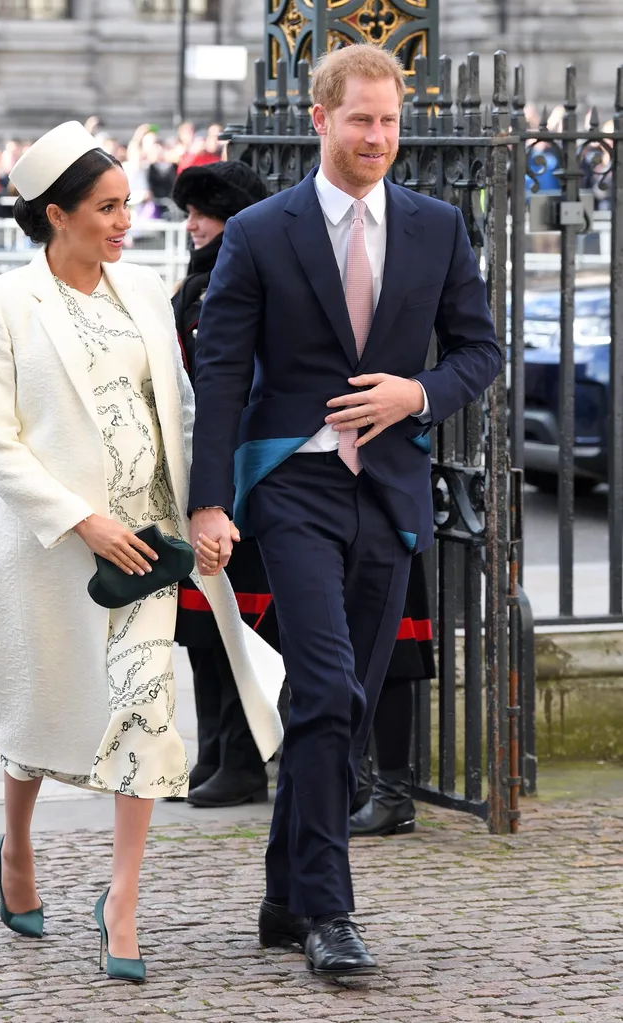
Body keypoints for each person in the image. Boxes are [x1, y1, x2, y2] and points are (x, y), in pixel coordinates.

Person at [187, 42, 501, 978]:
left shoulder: (439, 226)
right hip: (293, 484)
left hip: (392, 483)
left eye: (391, 121)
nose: (378, 137)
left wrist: (418, 394)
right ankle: (330, 911)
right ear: (319, 120)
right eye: (361, 119)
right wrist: (209, 499)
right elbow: (221, 372)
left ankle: (284, 892)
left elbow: (478, 354)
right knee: (325, 687)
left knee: (344, 704)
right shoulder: (261, 232)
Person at [0, 121, 283, 983]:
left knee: (145, 712)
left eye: (125, 206)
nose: (124, 222)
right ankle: (18, 847)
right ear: (56, 215)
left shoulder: (142, 291)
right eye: (106, 209)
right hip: (41, 550)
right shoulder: (2, 303)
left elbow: (179, 406)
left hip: (147, 549)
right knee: (35, 723)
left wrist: (202, 511)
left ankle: (122, 900)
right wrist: (80, 520)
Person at [171, 160, 275, 808]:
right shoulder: (192, 286)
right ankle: (213, 752)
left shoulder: (246, 280)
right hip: (199, 469)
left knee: (238, 625)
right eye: (189, 213)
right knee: (200, 630)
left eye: (205, 213)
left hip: (241, 474)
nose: (193, 225)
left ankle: (243, 759)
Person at [349, 551, 436, 836]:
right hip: (340, 528)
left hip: (387, 527)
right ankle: (355, 785)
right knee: (345, 651)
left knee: (390, 652)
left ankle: (393, 796)